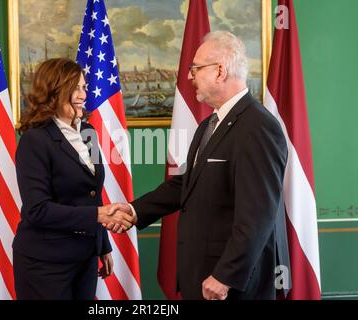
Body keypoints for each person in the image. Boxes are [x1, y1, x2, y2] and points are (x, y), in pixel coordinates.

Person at [111, 31, 290, 300]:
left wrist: (227, 275)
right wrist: (135, 210)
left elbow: (258, 215)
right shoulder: (210, 124)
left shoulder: (258, 127)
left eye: (195, 68)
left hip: (231, 285)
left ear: (220, 71)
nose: (188, 76)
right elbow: (188, 183)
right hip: (203, 275)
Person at [12, 58, 134, 300]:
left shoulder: (88, 132)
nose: (82, 95)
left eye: (84, 87)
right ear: (54, 91)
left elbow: (92, 195)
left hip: (86, 257)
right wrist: (99, 215)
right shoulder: (35, 140)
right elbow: (37, 210)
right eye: (75, 88)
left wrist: (103, 246)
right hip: (44, 264)